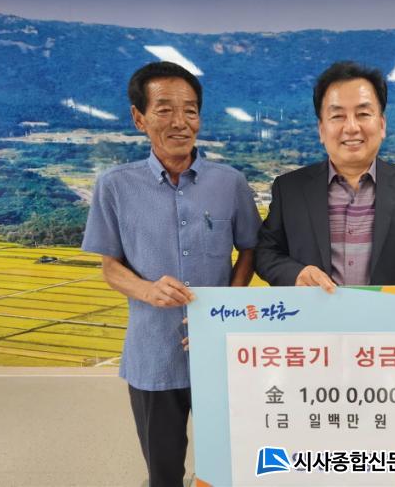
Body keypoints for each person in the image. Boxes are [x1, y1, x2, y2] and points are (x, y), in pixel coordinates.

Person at [82, 61, 261, 486]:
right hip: (153, 355)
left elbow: (250, 250)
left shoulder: (230, 183)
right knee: (162, 473)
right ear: (139, 118)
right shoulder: (114, 186)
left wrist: (224, 311)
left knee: (229, 467)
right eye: (164, 109)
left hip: (220, 352)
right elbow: (110, 267)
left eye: (190, 110)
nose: (180, 122)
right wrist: (147, 290)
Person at [255, 60, 395, 289]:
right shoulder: (289, 189)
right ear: (321, 129)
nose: (352, 127)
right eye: (337, 116)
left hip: (391, 313)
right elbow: (265, 252)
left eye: (363, 113)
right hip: (313, 312)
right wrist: (296, 274)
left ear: (382, 124)